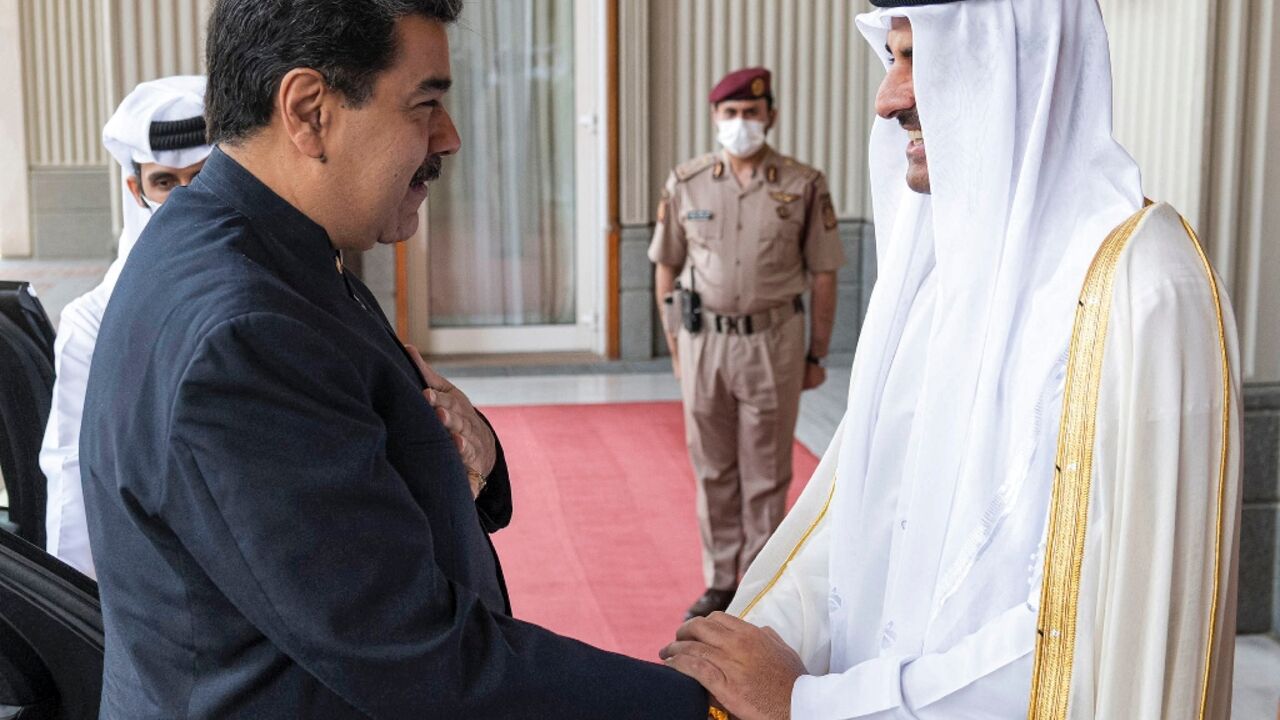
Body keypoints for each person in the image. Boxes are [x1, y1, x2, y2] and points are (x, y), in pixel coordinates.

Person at [79, 1, 710, 717]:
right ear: (309, 111)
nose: (451, 137)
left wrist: (469, 455)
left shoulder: (263, 244)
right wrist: (702, 706)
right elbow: (418, 657)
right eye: (425, 104)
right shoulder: (246, 327)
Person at [661, 1, 1242, 718]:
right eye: (891, 58)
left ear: (1018, 61)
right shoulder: (941, 269)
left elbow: (1084, 636)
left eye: (917, 58)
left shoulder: (1142, 286)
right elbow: (861, 516)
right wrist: (751, 643)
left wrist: (813, 706)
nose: (888, 99)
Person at [650, 67, 845, 620]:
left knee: (765, 470)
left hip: (773, 342)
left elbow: (824, 274)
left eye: (751, 114)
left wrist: (816, 353)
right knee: (712, 466)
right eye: (730, 114)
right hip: (703, 342)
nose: (741, 124)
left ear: (771, 117)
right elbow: (667, 266)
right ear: (715, 119)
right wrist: (675, 345)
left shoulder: (803, 184)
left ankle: (758, 583)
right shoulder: (687, 182)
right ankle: (718, 580)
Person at [40, 75, 212, 578]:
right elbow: (73, 484)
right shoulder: (93, 322)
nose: (184, 200)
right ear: (135, 189)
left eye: (201, 177)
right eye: (165, 183)